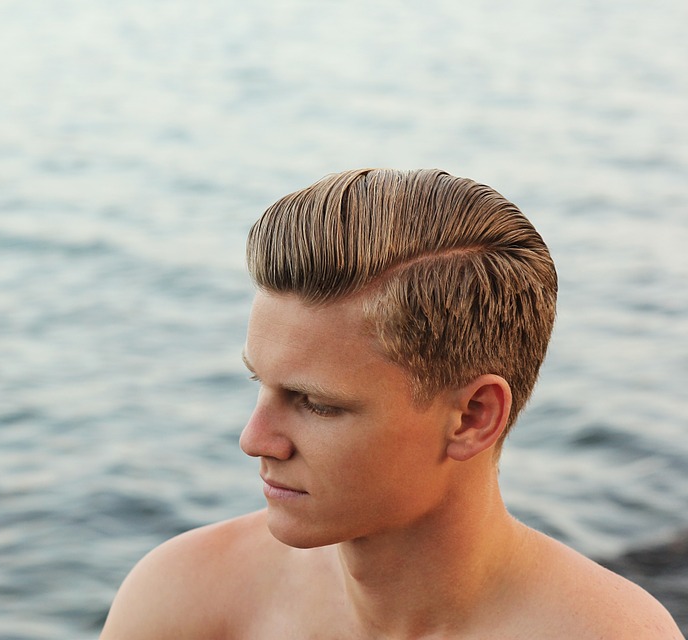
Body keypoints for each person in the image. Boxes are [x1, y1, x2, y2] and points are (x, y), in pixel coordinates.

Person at [100, 169, 683, 639]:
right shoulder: (187, 597)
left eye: (316, 404)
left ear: (473, 417)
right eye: (261, 384)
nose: (256, 439)